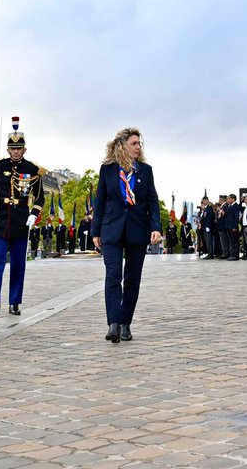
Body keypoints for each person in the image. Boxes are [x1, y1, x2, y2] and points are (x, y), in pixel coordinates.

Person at [92, 128, 162, 343]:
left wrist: (156, 227)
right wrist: (95, 231)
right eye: (134, 143)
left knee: (132, 279)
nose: (139, 147)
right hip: (111, 228)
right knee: (113, 275)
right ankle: (113, 323)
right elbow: (100, 201)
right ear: (122, 146)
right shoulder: (108, 170)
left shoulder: (145, 171)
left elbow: (152, 201)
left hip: (137, 230)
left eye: (139, 143)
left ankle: (125, 323)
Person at [0, 127, 45, 317]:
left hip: (20, 220)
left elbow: (39, 198)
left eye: (19, 148)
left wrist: (33, 215)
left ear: (24, 150)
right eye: (13, 148)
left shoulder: (32, 170)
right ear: (8, 149)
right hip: (0, 220)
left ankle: (14, 302)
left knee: (19, 264)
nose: (16, 152)